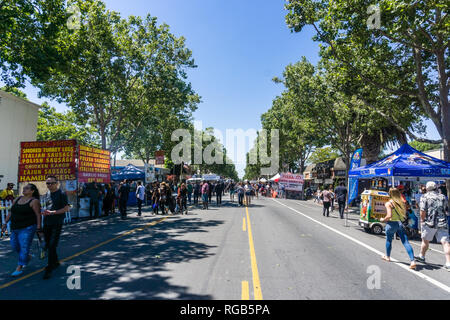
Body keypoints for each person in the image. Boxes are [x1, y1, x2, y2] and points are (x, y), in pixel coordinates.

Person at [2, 184, 42, 277]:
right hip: (15, 227)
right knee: (15, 246)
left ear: (32, 191)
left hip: (28, 228)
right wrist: (5, 223)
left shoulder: (34, 201)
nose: (24, 189)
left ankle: (19, 267)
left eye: (27, 188)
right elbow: (11, 212)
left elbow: (38, 215)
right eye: (24, 188)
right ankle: (27, 257)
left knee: (24, 246)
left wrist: (39, 227)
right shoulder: (17, 199)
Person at [41, 176, 70, 279]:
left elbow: (67, 208)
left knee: (52, 245)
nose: (49, 185)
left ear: (56, 183)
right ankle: (56, 262)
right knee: (48, 245)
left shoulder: (62, 193)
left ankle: (49, 267)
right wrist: (45, 212)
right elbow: (49, 206)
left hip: (57, 222)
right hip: (47, 222)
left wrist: (53, 212)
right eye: (47, 183)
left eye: (51, 183)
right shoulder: (47, 194)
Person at [380, 188, 416, 269]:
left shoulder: (388, 203)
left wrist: (383, 219)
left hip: (391, 224)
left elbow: (389, 216)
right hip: (400, 223)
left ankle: (388, 257)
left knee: (389, 240)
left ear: (390, 194)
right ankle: (412, 260)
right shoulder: (402, 202)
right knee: (405, 242)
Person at [417, 181, 450, 271]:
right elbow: (447, 210)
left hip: (429, 222)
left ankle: (422, 256)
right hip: (442, 222)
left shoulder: (424, 197)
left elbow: (422, 211)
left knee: (425, 241)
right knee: (446, 242)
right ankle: (448, 263)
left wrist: (422, 220)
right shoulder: (443, 196)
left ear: (427, 188)